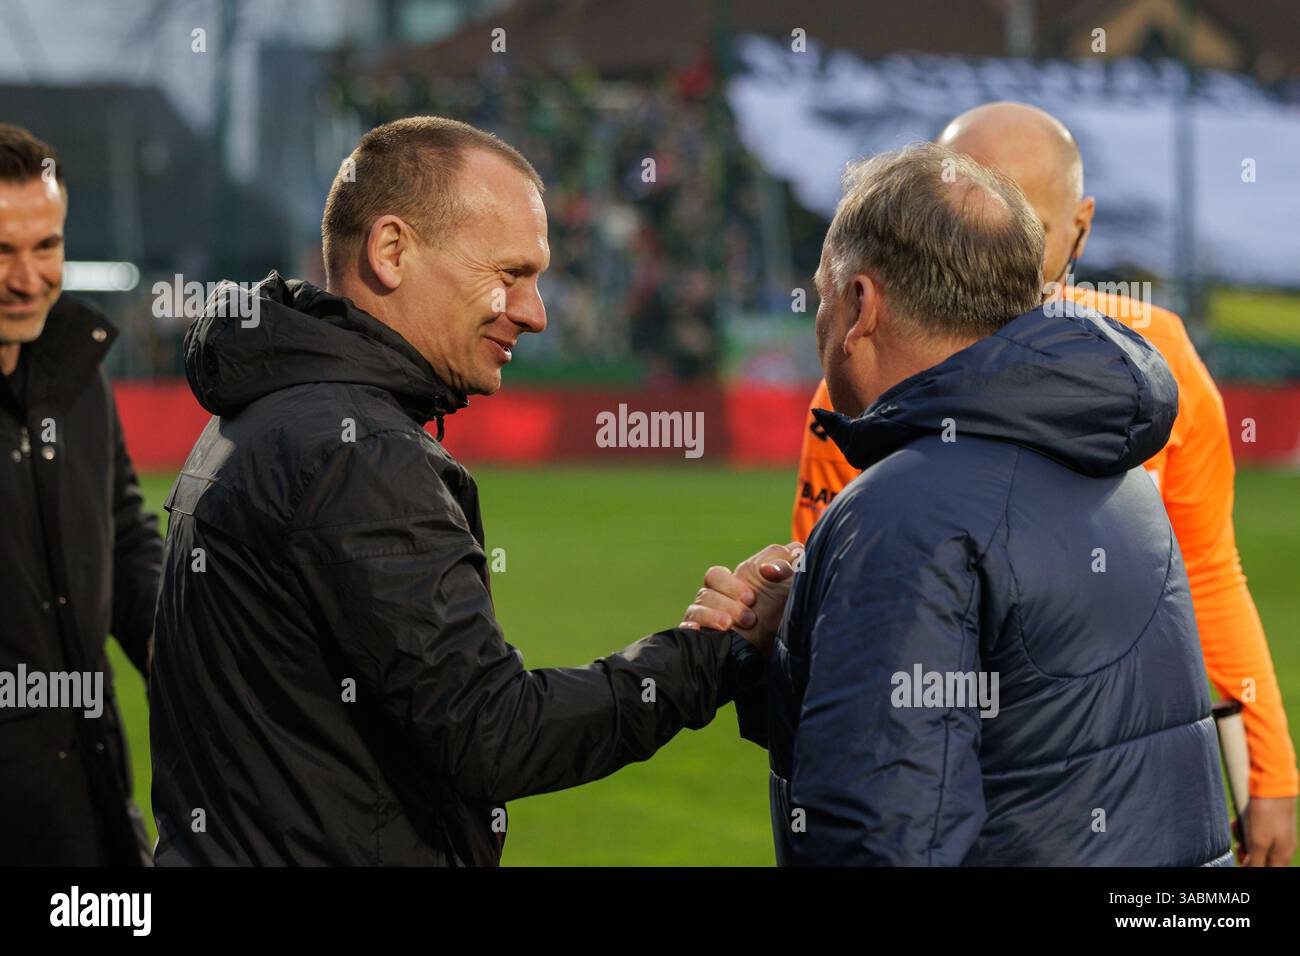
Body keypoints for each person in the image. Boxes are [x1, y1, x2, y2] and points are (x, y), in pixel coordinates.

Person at [148, 116, 768, 866]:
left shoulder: (263, 410)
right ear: (392, 251)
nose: (536, 313)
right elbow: (492, 730)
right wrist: (709, 659)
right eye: (509, 274)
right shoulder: (359, 451)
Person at [685, 142, 1232, 865]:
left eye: (823, 292)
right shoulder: (1121, 474)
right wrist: (797, 637)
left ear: (860, 305)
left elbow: (880, 832)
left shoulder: (904, 513)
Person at [789, 102, 1297, 866]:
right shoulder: (852, 393)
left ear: (1079, 231)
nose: (983, 241)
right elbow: (834, 638)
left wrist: (1269, 767)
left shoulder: (1160, 365)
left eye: (1014, 215)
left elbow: (1211, 573)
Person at [0, 123, 159, 866]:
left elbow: (126, 535)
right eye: (0, 251)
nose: (28, 278)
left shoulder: (76, 375)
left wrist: (182, 650)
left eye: (46, 247)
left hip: (90, 813)